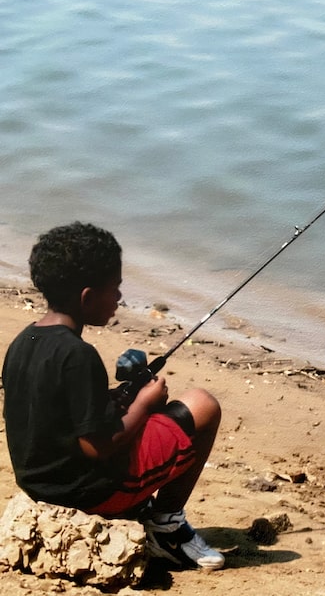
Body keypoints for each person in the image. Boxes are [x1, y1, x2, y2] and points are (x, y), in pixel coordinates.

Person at [1, 222, 224, 570]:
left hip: (39, 483)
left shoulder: (23, 341)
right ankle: (167, 528)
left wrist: (113, 401)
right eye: (114, 290)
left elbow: (51, 409)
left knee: (147, 411)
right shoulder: (78, 355)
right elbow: (97, 446)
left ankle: (141, 511)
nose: (119, 298)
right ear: (87, 297)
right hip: (85, 492)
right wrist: (144, 403)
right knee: (203, 406)